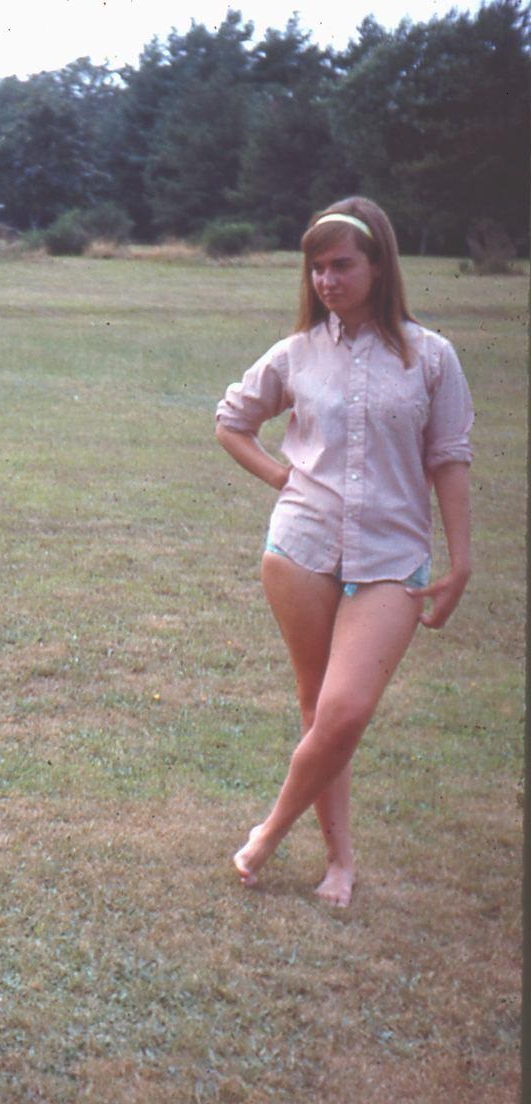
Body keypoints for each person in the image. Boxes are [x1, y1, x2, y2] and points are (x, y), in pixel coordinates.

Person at [214, 197, 473, 909]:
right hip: (300, 547)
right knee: (317, 707)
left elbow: (450, 458)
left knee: (346, 709)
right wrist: (279, 477)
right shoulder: (297, 353)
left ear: (379, 266)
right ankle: (339, 860)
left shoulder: (432, 357)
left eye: (341, 265)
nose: (326, 280)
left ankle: (269, 831)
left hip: (393, 555)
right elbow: (232, 421)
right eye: (316, 268)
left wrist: (461, 562)